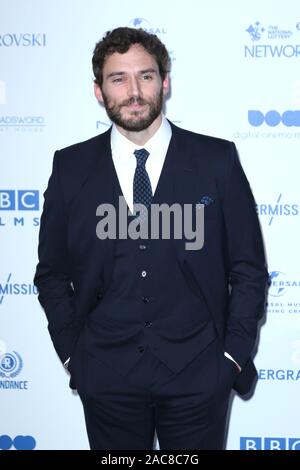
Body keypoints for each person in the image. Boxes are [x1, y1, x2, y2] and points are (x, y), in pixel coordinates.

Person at [34, 27, 268, 450]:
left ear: (165, 82)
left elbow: (248, 269)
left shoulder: (217, 160)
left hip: (200, 375)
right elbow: (51, 274)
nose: (134, 91)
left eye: (145, 75)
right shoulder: (70, 167)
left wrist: (231, 357)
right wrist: (74, 356)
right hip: (106, 378)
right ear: (98, 91)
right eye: (118, 78)